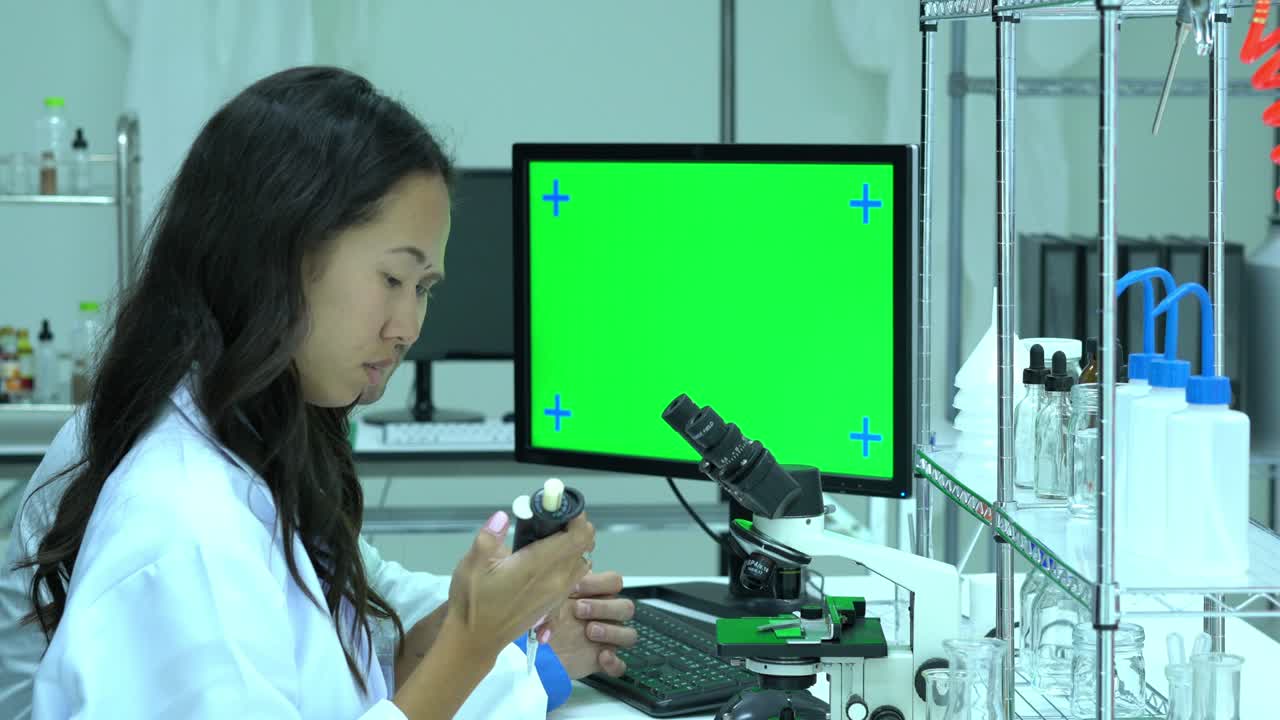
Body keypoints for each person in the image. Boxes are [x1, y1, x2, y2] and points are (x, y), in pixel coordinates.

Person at [0, 66, 635, 720]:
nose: (409, 327)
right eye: (392, 278)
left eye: (425, 289)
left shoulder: (250, 438)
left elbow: (354, 652)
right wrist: (474, 641)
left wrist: (497, 613)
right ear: (277, 250)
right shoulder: (188, 534)